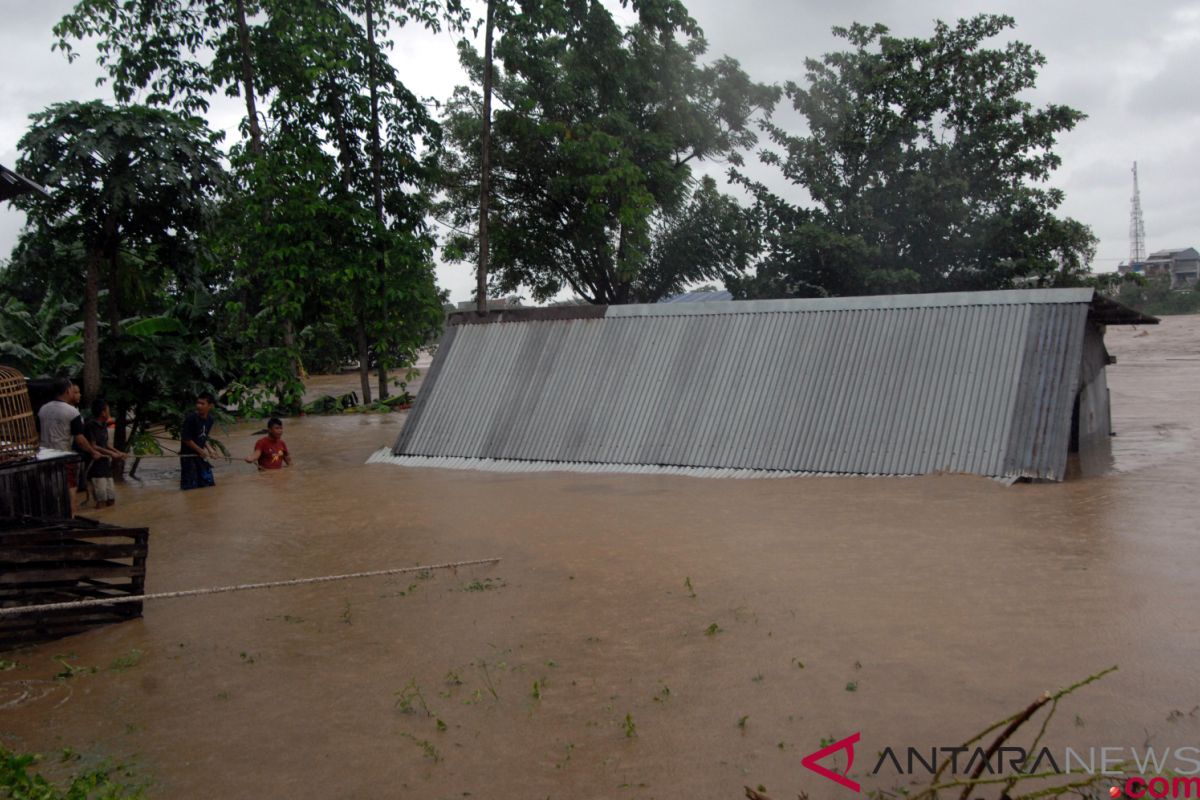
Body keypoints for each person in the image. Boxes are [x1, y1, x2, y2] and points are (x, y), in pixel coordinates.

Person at [37, 378, 102, 513]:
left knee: (49, 492)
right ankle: (71, 522)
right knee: (70, 491)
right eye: (73, 390)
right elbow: (79, 439)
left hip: (43, 458)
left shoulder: (42, 409)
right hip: (63, 457)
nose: (75, 393)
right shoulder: (72, 412)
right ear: (67, 391)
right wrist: (93, 452)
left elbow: (38, 434)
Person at [82, 398, 126, 508]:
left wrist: (118, 452)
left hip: (105, 465)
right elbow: (94, 446)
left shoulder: (103, 425)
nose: (109, 413)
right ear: (103, 412)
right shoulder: (90, 425)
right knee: (101, 501)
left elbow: (105, 444)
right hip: (95, 467)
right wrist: (112, 454)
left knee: (111, 499)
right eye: (108, 410)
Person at [180, 391, 219, 491]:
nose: (199, 406)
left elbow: (203, 437)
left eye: (202, 404)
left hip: (200, 455)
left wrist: (211, 450)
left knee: (208, 483)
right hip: (188, 456)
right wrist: (201, 451)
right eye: (198, 403)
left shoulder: (210, 419)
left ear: (210, 406)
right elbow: (186, 439)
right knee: (191, 488)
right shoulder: (191, 418)